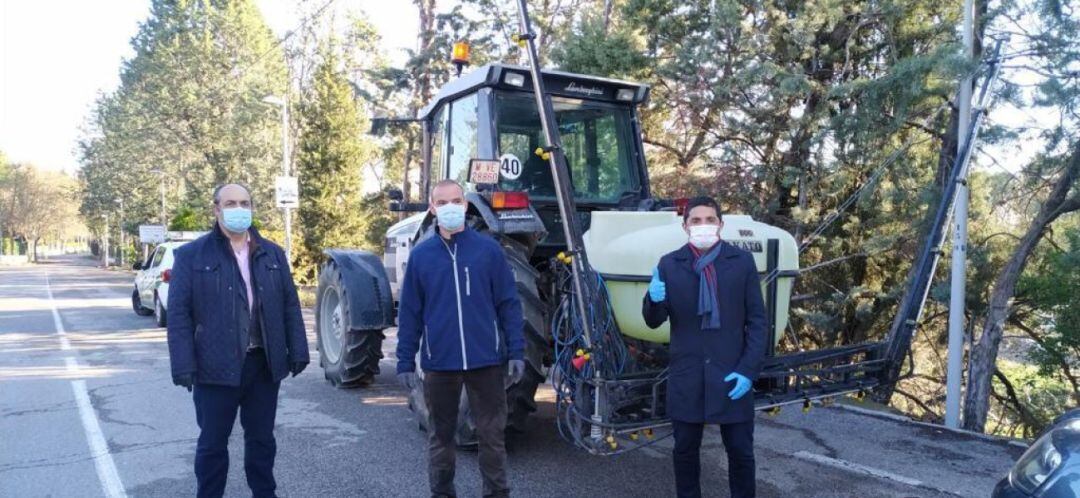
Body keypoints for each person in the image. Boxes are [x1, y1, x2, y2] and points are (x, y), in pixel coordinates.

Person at [167, 183, 309, 498]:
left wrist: (297, 350)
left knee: (262, 440)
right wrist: (183, 365)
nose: (238, 209)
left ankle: (264, 493)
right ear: (216, 209)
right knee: (213, 444)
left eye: (244, 203)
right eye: (230, 203)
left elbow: (289, 303)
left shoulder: (272, 253)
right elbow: (179, 316)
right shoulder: (192, 255)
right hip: (214, 368)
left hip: (263, 365)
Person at [395, 179, 526, 498]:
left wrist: (517, 351)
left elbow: (508, 302)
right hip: (440, 365)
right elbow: (410, 312)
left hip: (486, 363)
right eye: (442, 203)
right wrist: (404, 360)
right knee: (441, 438)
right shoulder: (422, 256)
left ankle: (496, 493)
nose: (450, 207)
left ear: (465, 206)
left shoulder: (489, 251)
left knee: (492, 438)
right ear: (432, 208)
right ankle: (442, 493)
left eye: (456, 201)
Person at [642, 196, 767, 498]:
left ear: (721, 225)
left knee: (740, 452)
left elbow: (758, 322)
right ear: (685, 227)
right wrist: (653, 298)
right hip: (688, 375)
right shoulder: (670, 264)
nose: (703, 226)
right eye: (696, 221)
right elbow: (653, 321)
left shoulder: (741, 262)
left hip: (731, 373)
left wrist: (748, 371)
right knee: (685, 452)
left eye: (709, 220)